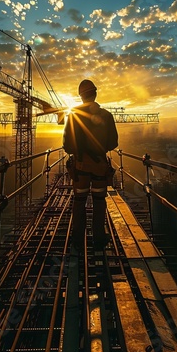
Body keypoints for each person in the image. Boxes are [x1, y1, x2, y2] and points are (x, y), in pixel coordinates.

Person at [63, 79, 118, 249]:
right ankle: (99, 239)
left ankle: (78, 241)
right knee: (99, 201)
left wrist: (80, 152)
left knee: (79, 201)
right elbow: (113, 143)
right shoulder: (107, 116)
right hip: (100, 166)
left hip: (80, 167)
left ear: (81, 97)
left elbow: (67, 145)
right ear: (95, 94)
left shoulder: (73, 115)